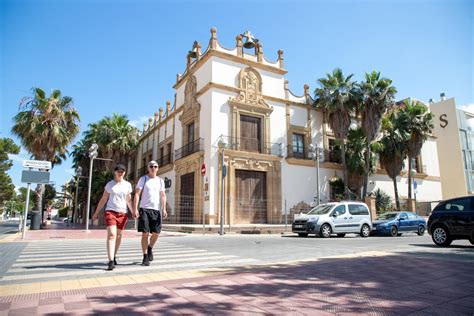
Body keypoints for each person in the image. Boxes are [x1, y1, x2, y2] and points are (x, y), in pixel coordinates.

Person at [92, 164, 133, 271]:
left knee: (119, 236)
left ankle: (114, 256)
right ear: (115, 172)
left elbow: (128, 200)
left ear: (125, 173)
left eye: (123, 171)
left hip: (123, 213)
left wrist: (133, 211)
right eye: (119, 171)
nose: (120, 173)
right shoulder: (110, 184)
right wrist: (96, 213)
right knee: (112, 235)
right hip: (110, 211)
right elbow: (103, 199)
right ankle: (110, 261)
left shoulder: (128, 185)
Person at [134, 160, 167, 266]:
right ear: (148, 168)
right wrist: (135, 208)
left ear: (158, 168)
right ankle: (145, 257)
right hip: (144, 209)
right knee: (145, 234)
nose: (153, 168)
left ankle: (150, 248)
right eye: (151, 166)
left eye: (155, 166)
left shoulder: (160, 181)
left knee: (157, 233)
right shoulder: (143, 179)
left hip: (156, 210)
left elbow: (162, 195)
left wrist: (164, 208)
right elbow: (137, 194)